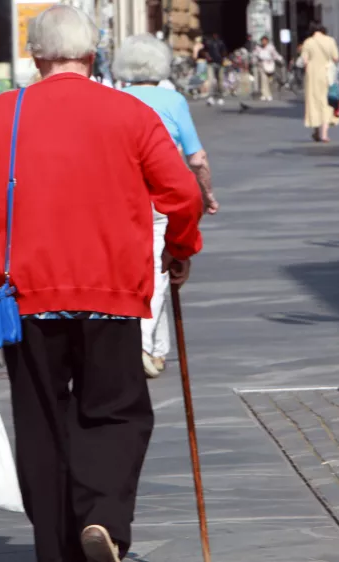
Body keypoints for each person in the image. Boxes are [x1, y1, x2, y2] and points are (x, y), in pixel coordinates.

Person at [0, 7, 203, 562]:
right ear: (92, 56)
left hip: (29, 295)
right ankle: (105, 519)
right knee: (115, 410)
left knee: (43, 422)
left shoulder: (4, 114)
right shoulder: (130, 113)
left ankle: (56, 549)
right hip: (111, 291)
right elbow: (182, 194)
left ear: (36, 57)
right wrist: (180, 248)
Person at [112, 34, 218, 379]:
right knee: (159, 268)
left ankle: (158, 351)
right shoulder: (172, 100)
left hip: (121, 198)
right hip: (162, 196)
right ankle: (140, 344)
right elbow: (197, 158)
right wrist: (207, 193)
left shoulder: (114, 99)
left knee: (141, 268)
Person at [302, 22, 339, 142]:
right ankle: (324, 133)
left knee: (314, 101)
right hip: (327, 73)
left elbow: (305, 60)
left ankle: (316, 132)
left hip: (312, 74)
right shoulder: (330, 40)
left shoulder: (308, 42)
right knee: (326, 101)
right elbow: (336, 58)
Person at [253, 35, 283, 101]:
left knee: (270, 81)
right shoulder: (258, 48)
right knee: (263, 80)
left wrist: (280, 59)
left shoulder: (271, 48)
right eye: (262, 41)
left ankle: (269, 94)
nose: (263, 42)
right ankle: (265, 94)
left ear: (267, 41)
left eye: (265, 40)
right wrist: (254, 61)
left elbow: (275, 54)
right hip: (261, 65)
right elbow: (255, 56)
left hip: (270, 65)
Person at [206, 33, 228, 105]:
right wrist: (208, 57)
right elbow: (204, 51)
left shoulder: (221, 43)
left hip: (219, 63)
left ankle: (220, 96)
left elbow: (224, 51)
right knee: (211, 80)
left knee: (220, 80)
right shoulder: (209, 43)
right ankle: (211, 96)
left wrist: (223, 58)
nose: (215, 36)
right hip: (211, 63)